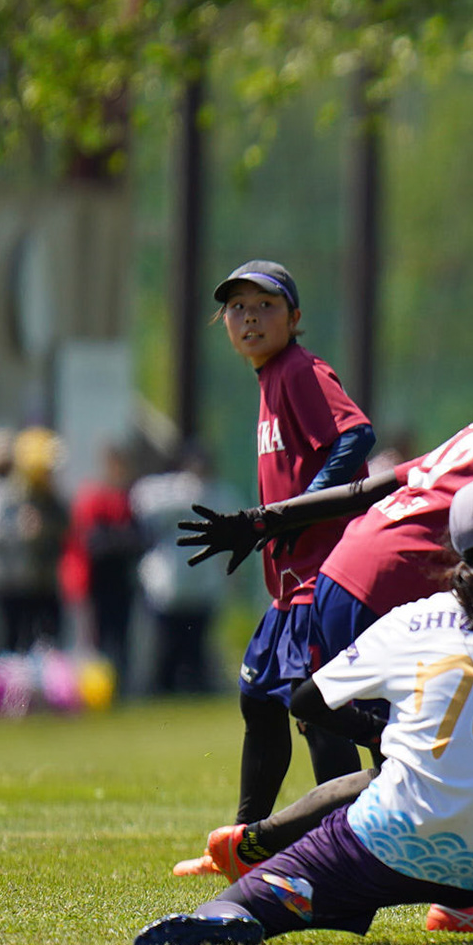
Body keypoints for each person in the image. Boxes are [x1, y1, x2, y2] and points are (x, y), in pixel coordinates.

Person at [174, 324, 473, 935]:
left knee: (409, 762)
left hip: (345, 569)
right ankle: (423, 893)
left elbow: (373, 488)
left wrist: (266, 518)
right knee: (422, 768)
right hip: (402, 580)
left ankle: (260, 847)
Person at [134, 475, 473, 945]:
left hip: (392, 849)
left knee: (243, 903)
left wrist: (378, 733)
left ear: (453, 546)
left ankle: (250, 909)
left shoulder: (409, 621)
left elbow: (307, 701)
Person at [168, 261, 376, 877]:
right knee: (260, 701)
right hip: (291, 588)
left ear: (295, 317)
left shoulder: (299, 370)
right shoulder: (272, 378)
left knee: (320, 713)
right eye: (237, 307)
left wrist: (289, 512)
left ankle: (345, 856)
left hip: (326, 581)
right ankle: (241, 847)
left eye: (265, 306)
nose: (250, 318)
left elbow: (355, 439)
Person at [132, 446, 237, 693]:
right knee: (166, 646)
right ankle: (162, 690)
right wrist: (185, 493)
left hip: (202, 586)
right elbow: (139, 500)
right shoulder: (168, 490)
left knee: (195, 648)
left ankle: (193, 688)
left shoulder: (218, 494)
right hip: (170, 587)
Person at [60, 443, 141, 674]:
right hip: (95, 579)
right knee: (95, 636)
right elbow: (93, 542)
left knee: (121, 636)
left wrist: (118, 539)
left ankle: (120, 681)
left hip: (121, 578)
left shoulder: (128, 498)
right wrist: (121, 539)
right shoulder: (94, 496)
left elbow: (138, 539)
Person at [0, 427, 70, 654]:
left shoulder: (53, 499)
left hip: (44, 583)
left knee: (47, 644)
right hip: (11, 584)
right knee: (10, 646)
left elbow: (65, 527)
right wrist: (19, 531)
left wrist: (44, 529)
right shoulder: (7, 495)